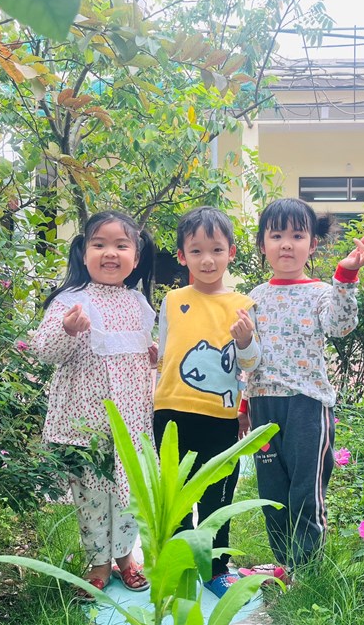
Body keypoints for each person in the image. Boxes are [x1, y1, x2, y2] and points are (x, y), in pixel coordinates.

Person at [239, 198, 364, 572]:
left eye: (297, 236)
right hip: (263, 404)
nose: (286, 244)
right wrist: (244, 405)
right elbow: (249, 357)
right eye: (276, 236)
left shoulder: (320, 293)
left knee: (304, 490)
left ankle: (307, 568)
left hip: (307, 405)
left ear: (312, 244)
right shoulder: (253, 297)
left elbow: (340, 326)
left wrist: (346, 276)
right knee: (271, 491)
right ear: (262, 244)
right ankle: (285, 564)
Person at [31, 209, 157, 598]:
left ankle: (126, 558)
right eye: (99, 244)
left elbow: (140, 355)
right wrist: (68, 330)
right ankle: (99, 563)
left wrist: (153, 356)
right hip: (87, 426)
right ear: (84, 252)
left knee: (130, 495)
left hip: (132, 423)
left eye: (121, 245)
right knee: (92, 498)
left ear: (136, 256)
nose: (110, 253)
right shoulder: (71, 301)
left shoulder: (139, 303)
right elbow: (44, 351)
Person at [153, 206, 261, 598]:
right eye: (196, 251)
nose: (207, 260)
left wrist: (245, 340)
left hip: (220, 417)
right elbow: (164, 355)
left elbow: (251, 364)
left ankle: (216, 568)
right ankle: (179, 567)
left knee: (218, 495)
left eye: (216, 249)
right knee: (176, 496)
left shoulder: (244, 305)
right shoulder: (171, 300)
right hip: (171, 412)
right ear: (182, 256)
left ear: (231, 252)